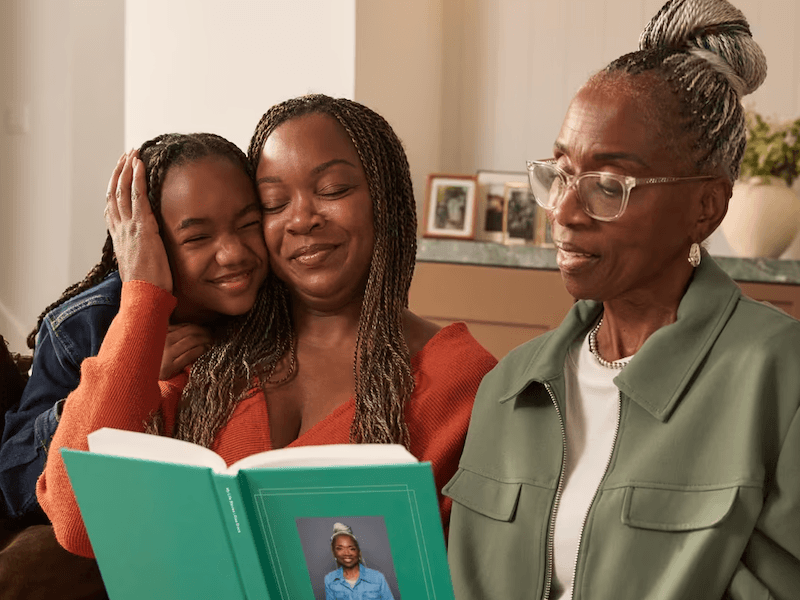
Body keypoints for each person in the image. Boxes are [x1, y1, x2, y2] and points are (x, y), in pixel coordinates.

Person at [38, 95, 496, 558]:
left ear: (386, 198)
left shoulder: (465, 381)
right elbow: (80, 523)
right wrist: (141, 294)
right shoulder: (210, 357)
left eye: (333, 190)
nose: (301, 219)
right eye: (274, 204)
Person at [445, 1, 799, 599]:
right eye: (559, 173)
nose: (563, 210)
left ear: (705, 207)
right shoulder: (507, 388)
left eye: (609, 185)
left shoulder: (780, 375)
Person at [325, 523, 394, 600]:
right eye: (340, 548)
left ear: (359, 552)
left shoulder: (377, 578)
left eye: (351, 548)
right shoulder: (329, 580)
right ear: (334, 552)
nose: (346, 553)